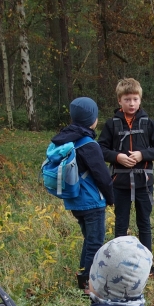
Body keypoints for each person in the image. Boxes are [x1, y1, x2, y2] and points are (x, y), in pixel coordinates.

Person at [97, 79, 154, 278]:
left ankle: (148, 265)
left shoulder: (148, 123)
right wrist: (117, 157)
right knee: (121, 223)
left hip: (144, 184)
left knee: (144, 222)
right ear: (119, 101)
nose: (131, 103)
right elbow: (100, 149)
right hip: (119, 184)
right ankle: (119, 265)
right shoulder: (111, 124)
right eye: (127, 99)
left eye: (135, 99)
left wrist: (142, 155)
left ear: (140, 100)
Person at [50, 97, 114, 289]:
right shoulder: (88, 144)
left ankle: (82, 275)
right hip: (92, 201)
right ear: (93, 119)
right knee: (95, 242)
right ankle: (88, 282)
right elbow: (102, 175)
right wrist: (111, 198)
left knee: (89, 239)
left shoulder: (66, 140)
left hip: (75, 200)